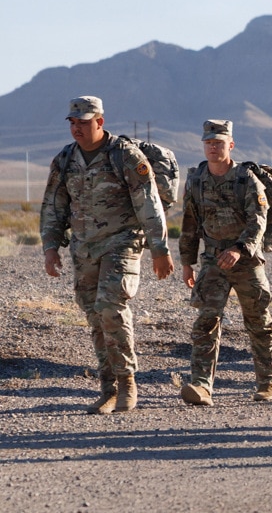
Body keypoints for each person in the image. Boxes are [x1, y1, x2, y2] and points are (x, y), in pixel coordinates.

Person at [39, 96, 174, 414]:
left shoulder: (124, 155)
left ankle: (128, 383)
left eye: (83, 122)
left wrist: (160, 249)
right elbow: (53, 206)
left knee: (110, 308)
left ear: (100, 122)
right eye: (73, 122)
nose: (77, 128)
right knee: (95, 317)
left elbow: (149, 202)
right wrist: (49, 247)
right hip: (84, 248)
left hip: (122, 243)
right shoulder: (65, 159)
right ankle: (108, 388)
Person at [178, 120, 272, 405]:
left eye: (219, 142)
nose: (213, 147)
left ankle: (268, 382)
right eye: (209, 142)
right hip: (212, 261)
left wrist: (239, 248)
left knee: (258, 322)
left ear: (230, 145)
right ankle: (201, 386)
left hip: (247, 261)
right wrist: (187, 262)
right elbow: (190, 223)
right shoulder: (197, 179)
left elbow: (258, 220)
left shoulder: (246, 179)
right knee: (206, 321)